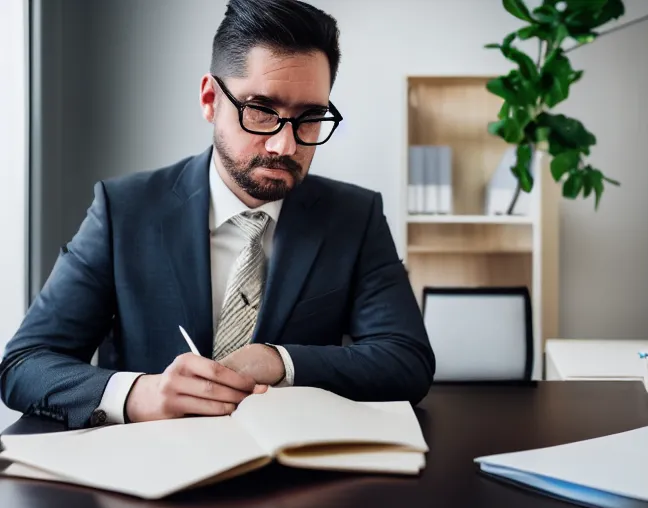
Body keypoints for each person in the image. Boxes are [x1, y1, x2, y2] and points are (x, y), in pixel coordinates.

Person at [0, 0, 435, 430]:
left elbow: (406, 359)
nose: (285, 146)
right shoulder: (124, 211)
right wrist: (138, 394)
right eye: (261, 111)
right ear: (210, 99)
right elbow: (24, 364)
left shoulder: (355, 217)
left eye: (310, 117)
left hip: (296, 478)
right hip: (148, 475)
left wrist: (279, 360)